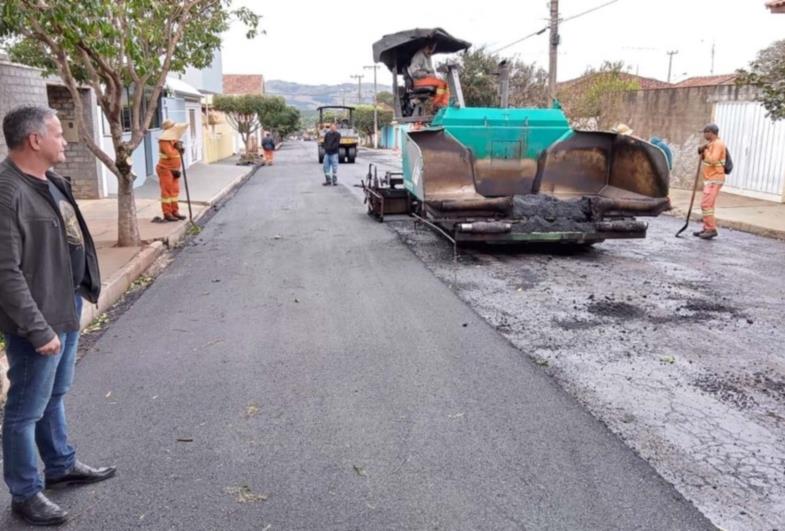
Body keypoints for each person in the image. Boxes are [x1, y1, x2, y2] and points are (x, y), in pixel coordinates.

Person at [0, 105, 115, 527]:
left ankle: (61, 464)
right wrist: (36, 328)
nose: (64, 139)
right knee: (24, 409)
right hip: (38, 319)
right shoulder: (7, 191)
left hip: (65, 304)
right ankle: (25, 493)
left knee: (54, 395)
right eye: (57, 132)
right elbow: (4, 271)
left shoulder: (49, 181)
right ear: (34, 140)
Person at [695, 124, 726, 240]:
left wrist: (705, 151)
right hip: (710, 178)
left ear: (711, 133)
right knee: (709, 205)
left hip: (715, 179)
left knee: (706, 205)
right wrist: (703, 150)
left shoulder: (717, 144)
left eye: (705, 132)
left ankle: (711, 229)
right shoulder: (712, 144)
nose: (703, 135)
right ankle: (706, 227)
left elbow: (713, 160)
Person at [156, 119, 188, 222]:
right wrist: (178, 150)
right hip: (165, 169)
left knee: (174, 192)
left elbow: (177, 154)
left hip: (174, 170)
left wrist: (181, 150)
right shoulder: (164, 141)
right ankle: (167, 213)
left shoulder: (174, 139)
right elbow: (170, 154)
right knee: (167, 192)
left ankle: (175, 211)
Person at [408, 42, 449, 109]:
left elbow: (431, 70)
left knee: (445, 84)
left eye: (433, 49)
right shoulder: (419, 56)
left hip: (426, 79)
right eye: (430, 48)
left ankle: (444, 104)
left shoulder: (428, 56)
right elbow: (415, 73)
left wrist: (433, 75)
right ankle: (437, 105)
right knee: (441, 84)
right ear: (425, 46)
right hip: (418, 81)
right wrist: (428, 74)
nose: (431, 51)